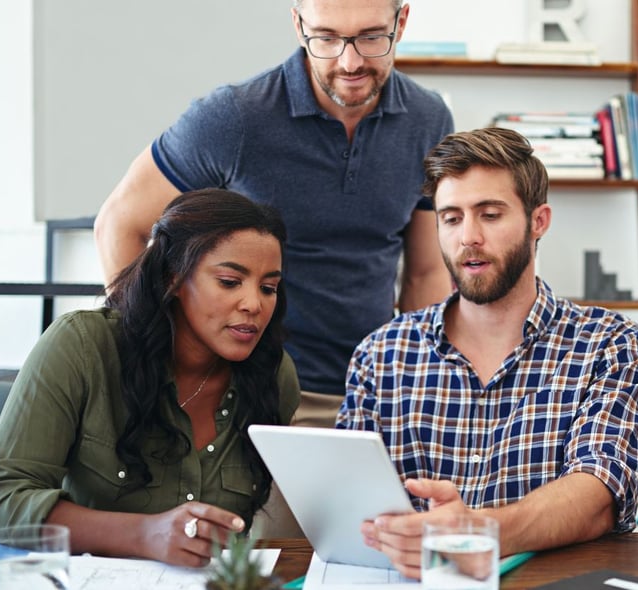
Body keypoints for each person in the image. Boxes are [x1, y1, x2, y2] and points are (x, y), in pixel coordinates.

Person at [94, 0, 455, 429]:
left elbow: (425, 273)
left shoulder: (429, 120)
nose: (350, 61)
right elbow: (120, 223)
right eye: (327, 38)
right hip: (252, 391)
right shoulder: (236, 117)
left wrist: (422, 381)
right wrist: (155, 359)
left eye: (372, 37)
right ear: (299, 25)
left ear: (402, 22)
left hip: (376, 390)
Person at [338, 127, 638, 580]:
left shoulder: (611, 346)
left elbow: (597, 499)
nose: (469, 236)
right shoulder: (381, 355)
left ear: (538, 221)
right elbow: (348, 507)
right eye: (451, 218)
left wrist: (476, 532)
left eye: (489, 215)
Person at [0, 189, 300, 567]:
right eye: (230, 281)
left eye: (268, 287)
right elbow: (0, 502)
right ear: (172, 278)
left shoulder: (274, 375)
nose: (253, 304)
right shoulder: (82, 348)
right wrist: (144, 534)